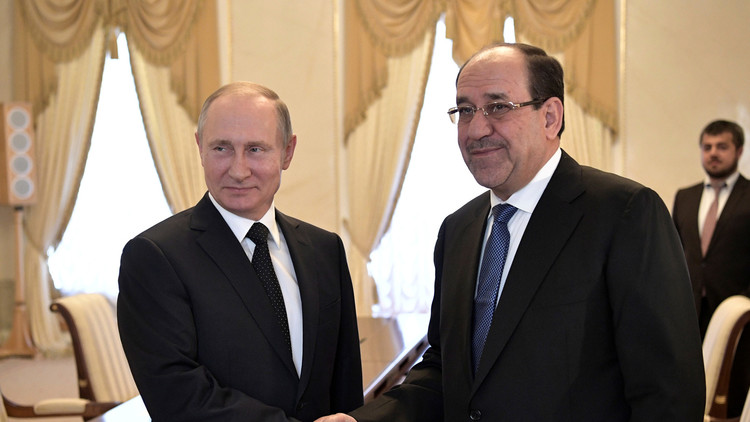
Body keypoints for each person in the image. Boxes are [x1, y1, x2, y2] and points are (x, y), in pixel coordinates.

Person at [317, 43, 705, 422]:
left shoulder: (624, 213)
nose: (476, 129)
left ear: (550, 117)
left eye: (498, 106)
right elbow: (445, 372)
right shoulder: (457, 230)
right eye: (465, 110)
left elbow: (668, 393)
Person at [117, 81, 363, 422]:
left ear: (287, 152)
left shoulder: (325, 250)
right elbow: (178, 397)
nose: (238, 170)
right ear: (200, 148)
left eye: (256, 149)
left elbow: (344, 383)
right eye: (221, 148)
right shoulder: (154, 257)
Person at [673, 119, 750, 416]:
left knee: (732, 393)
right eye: (707, 147)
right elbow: (675, 252)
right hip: (689, 310)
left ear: (739, 151)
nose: (713, 153)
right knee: (689, 386)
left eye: (722, 146)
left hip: (738, 314)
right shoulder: (685, 196)